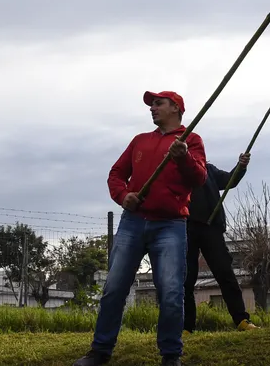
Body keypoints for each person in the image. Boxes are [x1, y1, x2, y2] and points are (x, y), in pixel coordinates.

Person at [73, 90, 207, 366]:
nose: (152, 109)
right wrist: (123, 196)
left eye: (159, 104)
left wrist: (183, 157)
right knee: (113, 288)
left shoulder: (190, 141)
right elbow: (116, 174)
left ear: (176, 108)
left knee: (171, 291)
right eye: (152, 105)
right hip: (133, 223)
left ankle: (171, 356)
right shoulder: (140, 141)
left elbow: (199, 179)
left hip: (171, 225)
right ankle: (100, 351)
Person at [183, 152, 258, 335]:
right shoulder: (178, 169)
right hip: (185, 228)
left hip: (211, 228)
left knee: (225, 274)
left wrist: (240, 166)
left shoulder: (209, 169)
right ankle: (186, 327)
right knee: (186, 279)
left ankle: (241, 320)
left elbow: (229, 181)